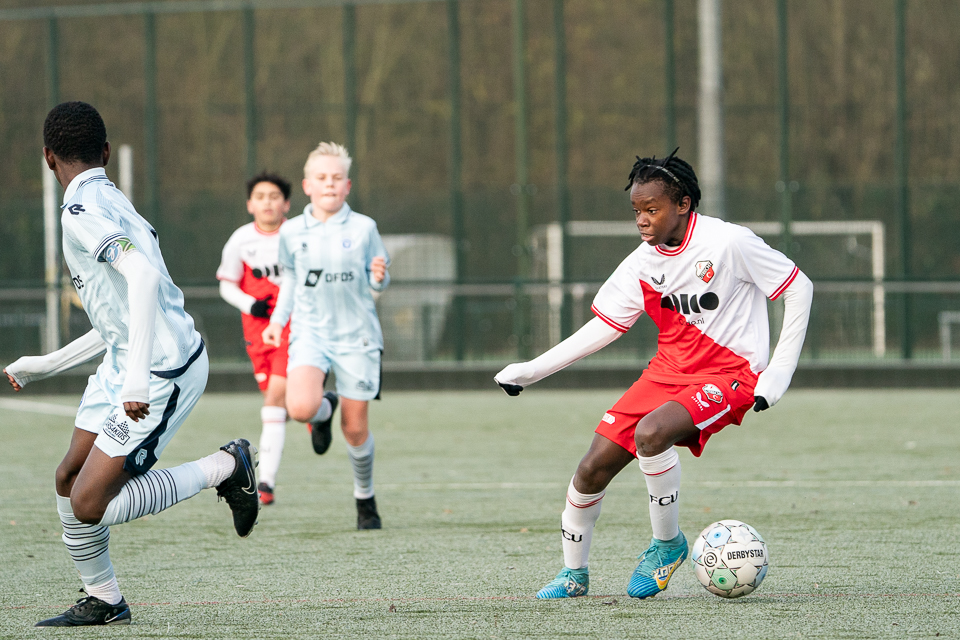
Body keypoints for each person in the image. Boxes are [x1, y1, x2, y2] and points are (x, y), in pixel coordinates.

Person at [495, 150, 813, 600]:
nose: (642, 221)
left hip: (731, 374)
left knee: (652, 433)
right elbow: (605, 327)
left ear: (683, 204)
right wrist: (532, 370)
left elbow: (799, 288)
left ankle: (667, 545)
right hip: (666, 373)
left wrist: (778, 374)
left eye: (652, 209)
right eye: (636, 212)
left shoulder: (728, 243)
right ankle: (573, 575)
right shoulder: (641, 262)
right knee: (590, 470)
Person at [3, 101, 260, 627]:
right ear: (104, 153)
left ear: (48, 158)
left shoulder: (81, 214)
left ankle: (228, 466)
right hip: (128, 359)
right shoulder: (114, 200)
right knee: (68, 477)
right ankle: (104, 598)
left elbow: (142, 281)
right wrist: (46, 364)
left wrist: (138, 377)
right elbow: (120, 315)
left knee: (90, 502)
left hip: (162, 369)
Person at [262, 141, 390, 530]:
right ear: (307, 186)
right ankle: (323, 411)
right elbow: (290, 282)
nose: (329, 184)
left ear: (347, 186)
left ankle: (364, 499)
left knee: (355, 429)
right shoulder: (293, 231)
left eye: (336, 178)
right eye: (322, 178)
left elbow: (376, 283)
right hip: (311, 334)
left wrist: (380, 278)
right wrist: (275, 322)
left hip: (358, 338)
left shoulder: (364, 227)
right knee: (299, 408)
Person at [218, 172, 318, 506]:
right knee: (286, 406)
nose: (267, 202)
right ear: (250, 204)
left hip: (295, 326)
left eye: (274, 196)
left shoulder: (299, 235)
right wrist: (251, 304)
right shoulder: (240, 240)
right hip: (257, 333)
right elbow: (226, 284)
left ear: (286, 203)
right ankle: (319, 410)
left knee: (274, 400)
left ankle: (265, 484)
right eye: (260, 196)